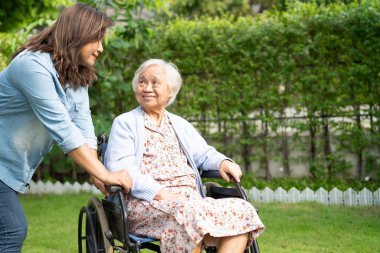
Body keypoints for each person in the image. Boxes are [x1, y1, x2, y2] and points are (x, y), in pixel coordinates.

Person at [0, 3, 132, 252]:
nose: (101, 49)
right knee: (11, 228)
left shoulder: (75, 73)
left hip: (6, 170)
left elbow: (82, 123)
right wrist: (104, 173)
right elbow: (62, 128)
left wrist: (95, 172)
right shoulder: (32, 66)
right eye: (98, 40)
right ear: (79, 33)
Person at [104, 59, 265, 253]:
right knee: (189, 213)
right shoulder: (125, 123)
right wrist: (159, 192)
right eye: (142, 82)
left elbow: (204, 153)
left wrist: (223, 161)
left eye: (155, 83)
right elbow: (122, 170)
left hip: (189, 200)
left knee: (242, 210)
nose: (147, 88)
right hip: (146, 202)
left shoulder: (179, 124)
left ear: (170, 91)